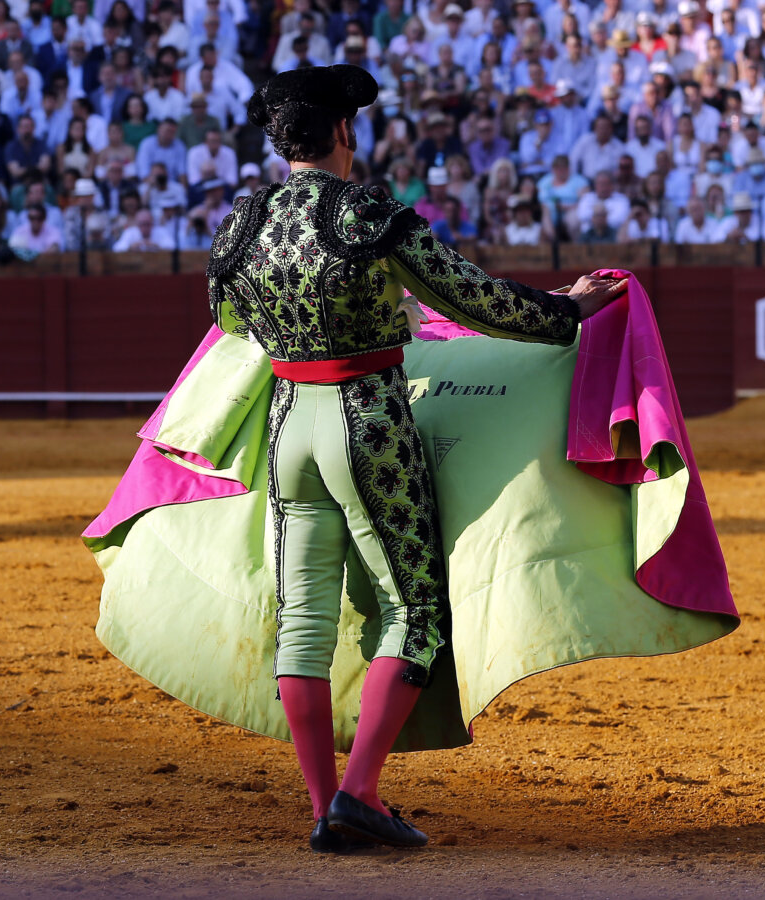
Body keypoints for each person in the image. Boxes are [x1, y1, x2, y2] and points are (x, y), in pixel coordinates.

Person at [196, 65, 625, 853]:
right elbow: (470, 296)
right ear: (344, 134)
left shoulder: (242, 220)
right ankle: (359, 793)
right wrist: (567, 309)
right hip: (367, 419)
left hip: (288, 424)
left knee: (304, 621)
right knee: (416, 608)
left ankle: (325, 805)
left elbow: (228, 319)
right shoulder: (366, 213)